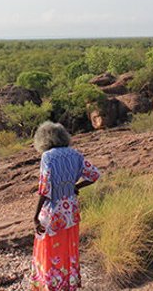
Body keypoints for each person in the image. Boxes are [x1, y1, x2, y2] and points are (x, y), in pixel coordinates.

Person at [30, 121, 100, 291]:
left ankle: (50, 286)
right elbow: (94, 175)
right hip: (71, 210)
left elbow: (45, 189)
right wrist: (76, 187)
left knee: (49, 249)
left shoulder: (48, 156)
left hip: (52, 212)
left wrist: (35, 216)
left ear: (44, 139)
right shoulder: (75, 154)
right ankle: (68, 284)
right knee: (69, 248)